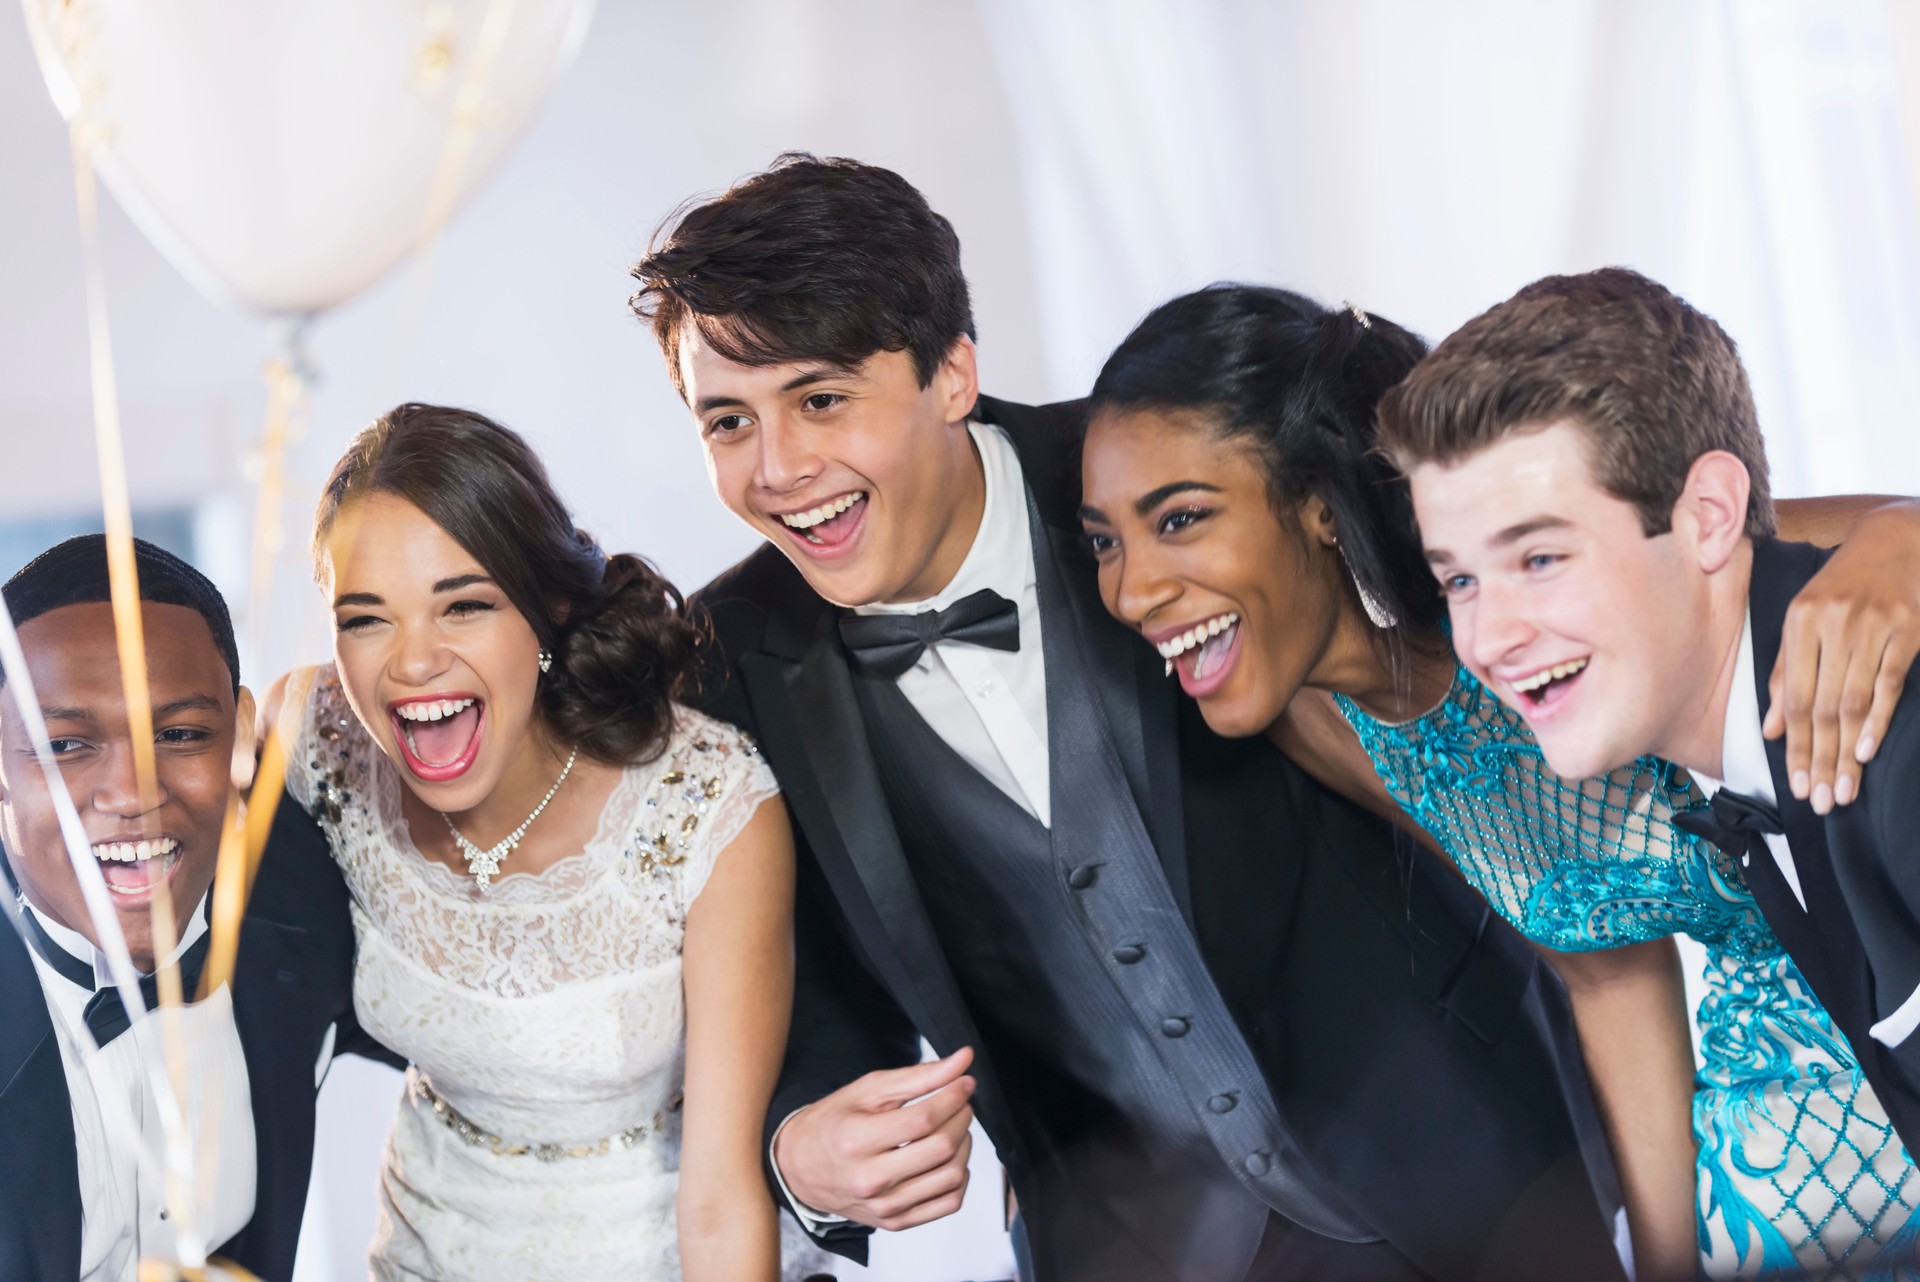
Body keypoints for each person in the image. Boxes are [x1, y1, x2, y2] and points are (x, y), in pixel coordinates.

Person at [634, 153, 1631, 1282]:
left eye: (820, 399)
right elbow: (793, 989)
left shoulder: (1152, 470)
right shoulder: (722, 666)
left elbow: (1520, 546)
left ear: (951, 371)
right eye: (726, 422)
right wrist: (799, 1153)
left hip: (1471, 1154)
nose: (777, 469)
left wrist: (1881, 538)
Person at [1076, 283, 1920, 1279]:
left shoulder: (1574, 578)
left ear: (1318, 509)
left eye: (1178, 519)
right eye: (1102, 542)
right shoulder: (1323, 723)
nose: (1129, 592)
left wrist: (1904, 537)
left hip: (1874, 965)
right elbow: (1606, 963)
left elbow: (1763, 561)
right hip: (1757, 1073)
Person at [1369, 266, 1920, 1276]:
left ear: (1708, 515)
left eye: (1540, 559)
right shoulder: (1751, 776)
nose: (1488, 638)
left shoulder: (1898, 736)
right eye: (1459, 578)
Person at [270, 404, 805, 1281]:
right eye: (367, 619)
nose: (411, 664)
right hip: (424, 1250)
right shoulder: (315, 742)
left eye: (465, 605)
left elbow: (719, 1199)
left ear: (549, 607)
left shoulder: (707, 806)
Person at [0, 535, 388, 1282]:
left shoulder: (306, 886)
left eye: (179, 735)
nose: (133, 796)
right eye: (66, 747)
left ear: (239, 734)